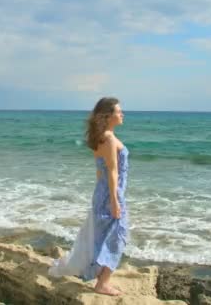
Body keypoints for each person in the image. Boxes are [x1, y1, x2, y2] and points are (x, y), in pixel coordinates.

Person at [48, 97, 129, 296]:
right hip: (111, 194)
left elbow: (99, 172)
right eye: (119, 111)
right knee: (118, 237)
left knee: (102, 236)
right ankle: (102, 283)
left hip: (102, 192)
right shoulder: (109, 139)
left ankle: (97, 274)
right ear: (108, 116)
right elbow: (111, 172)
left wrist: (105, 196)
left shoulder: (101, 136)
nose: (122, 114)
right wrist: (115, 200)